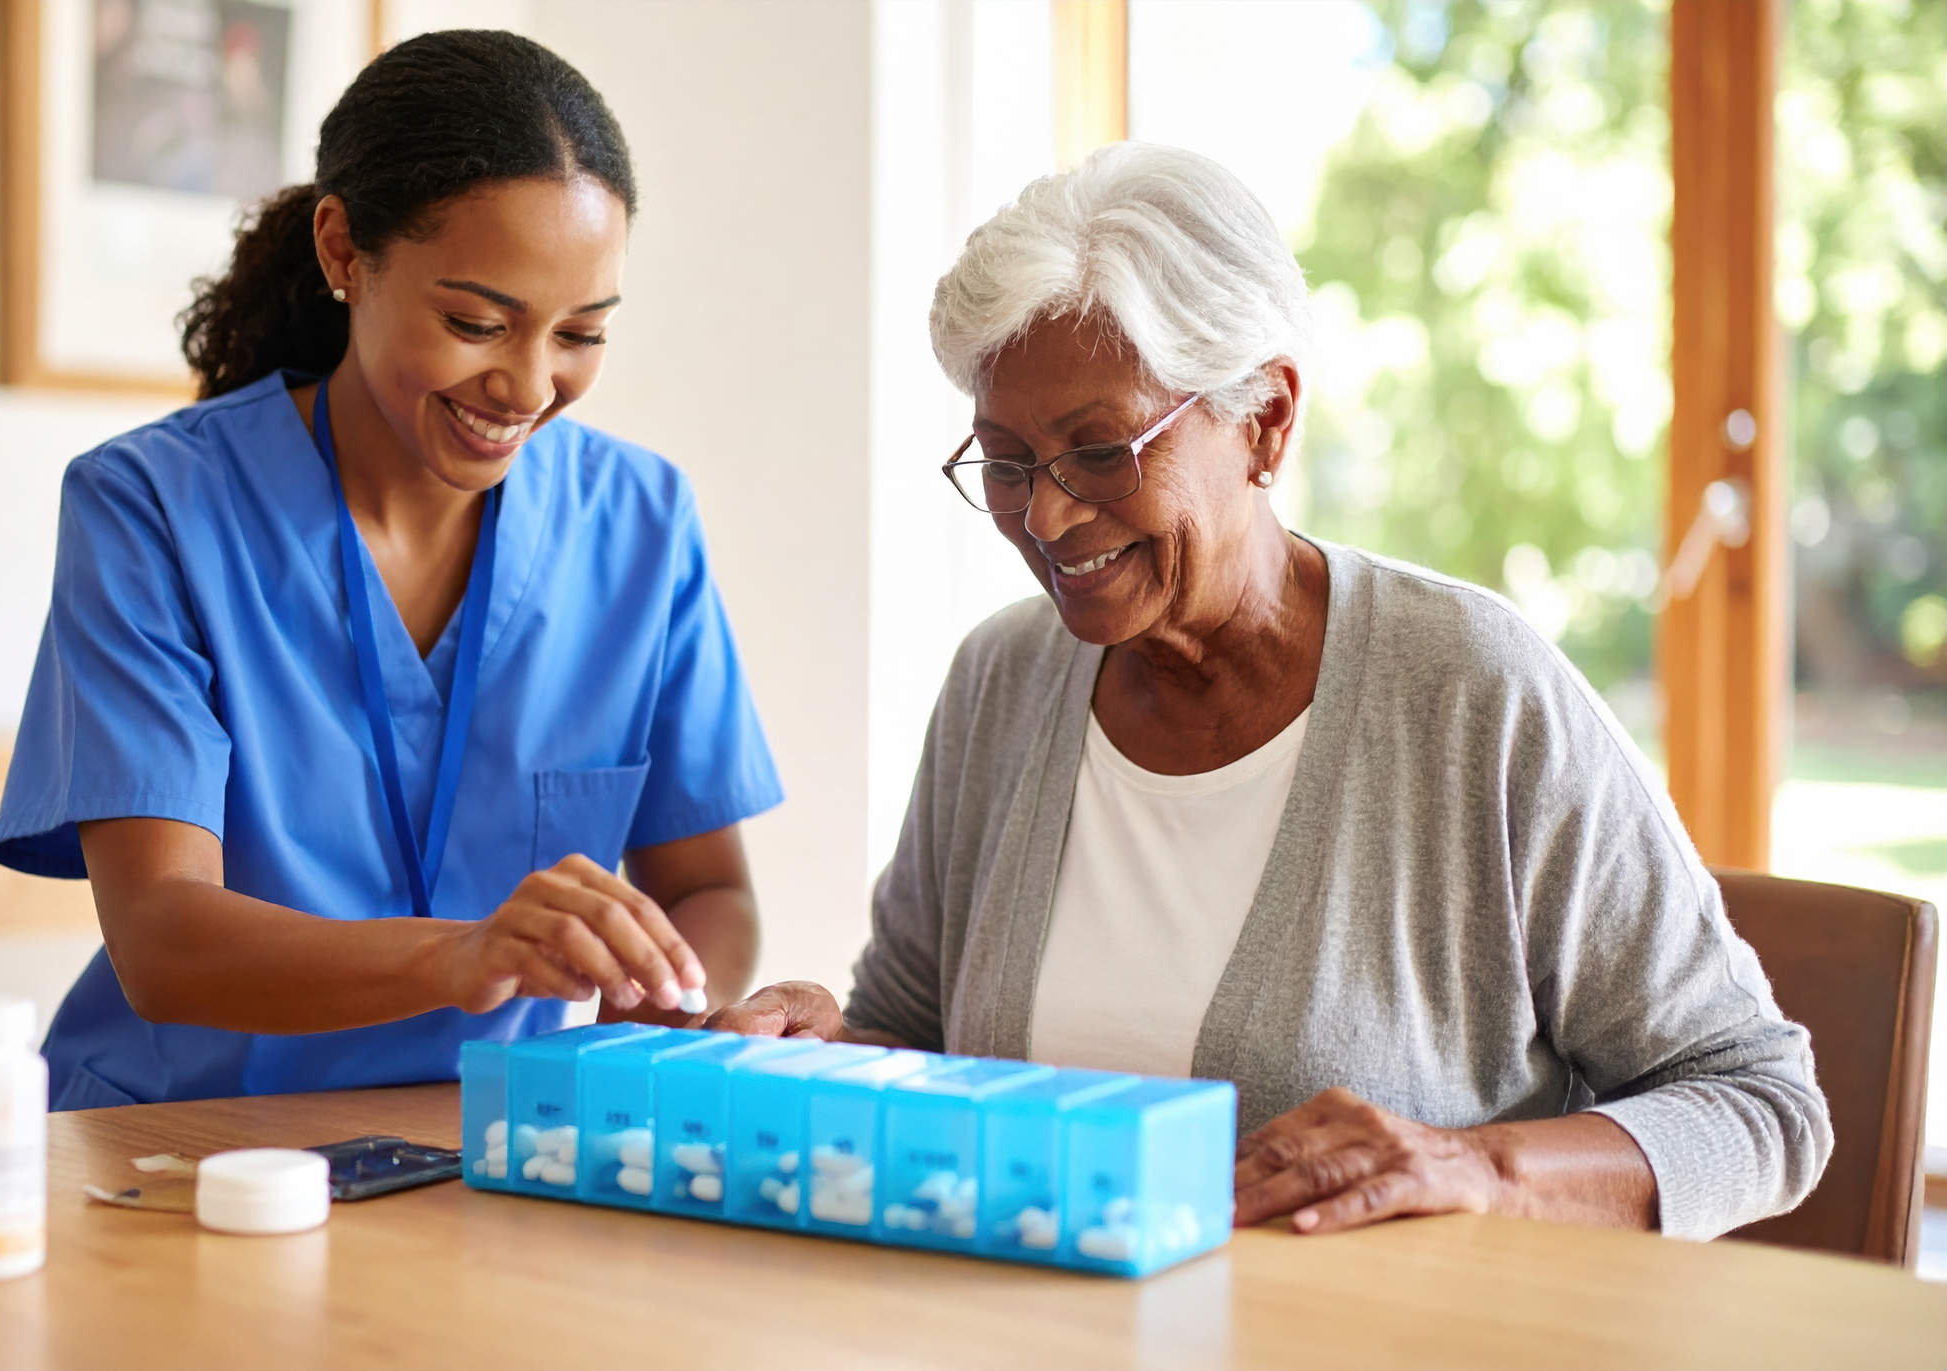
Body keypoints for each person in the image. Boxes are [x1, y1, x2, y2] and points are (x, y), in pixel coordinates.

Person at [708, 143, 1829, 1241]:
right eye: (1006, 463)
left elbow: (1759, 1102)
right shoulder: (1002, 682)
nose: (1044, 519)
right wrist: (831, 1053)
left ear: (1267, 421)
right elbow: (922, 1037)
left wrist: (1473, 1168)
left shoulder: (1471, 692)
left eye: (1101, 453)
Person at [0, 31, 781, 1110]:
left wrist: (674, 994)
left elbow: (710, 891)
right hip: (191, 1155)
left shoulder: (639, 524)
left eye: (581, 334)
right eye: (476, 323)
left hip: (495, 1153)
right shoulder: (155, 510)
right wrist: (464, 957)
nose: (529, 384)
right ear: (343, 253)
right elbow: (163, 938)